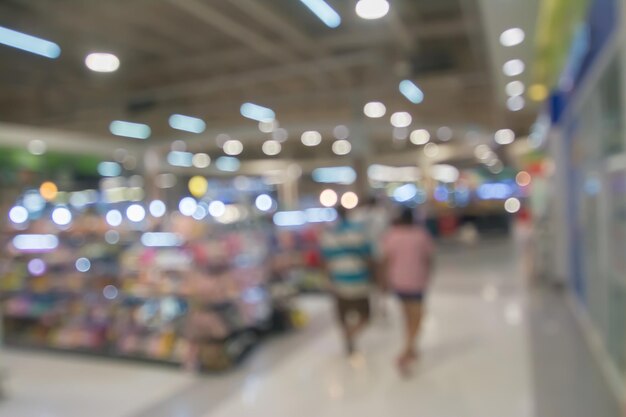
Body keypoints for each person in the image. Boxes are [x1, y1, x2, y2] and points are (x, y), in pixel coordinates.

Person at [382, 207, 434, 375]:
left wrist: (385, 279)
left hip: (398, 281)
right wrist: (428, 274)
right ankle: (408, 348)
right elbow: (428, 258)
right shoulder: (421, 235)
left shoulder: (392, 235)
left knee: (407, 314)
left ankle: (411, 346)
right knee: (418, 315)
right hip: (416, 280)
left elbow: (387, 260)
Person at [321, 205, 373, 356]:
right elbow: (369, 256)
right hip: (360, 280)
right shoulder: (359, 232)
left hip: (339, 281)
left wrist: (327, 280)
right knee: (366, 315)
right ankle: (351, 334)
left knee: (342, 315)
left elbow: (325, 262)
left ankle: (348, 336)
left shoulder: (328, 235)